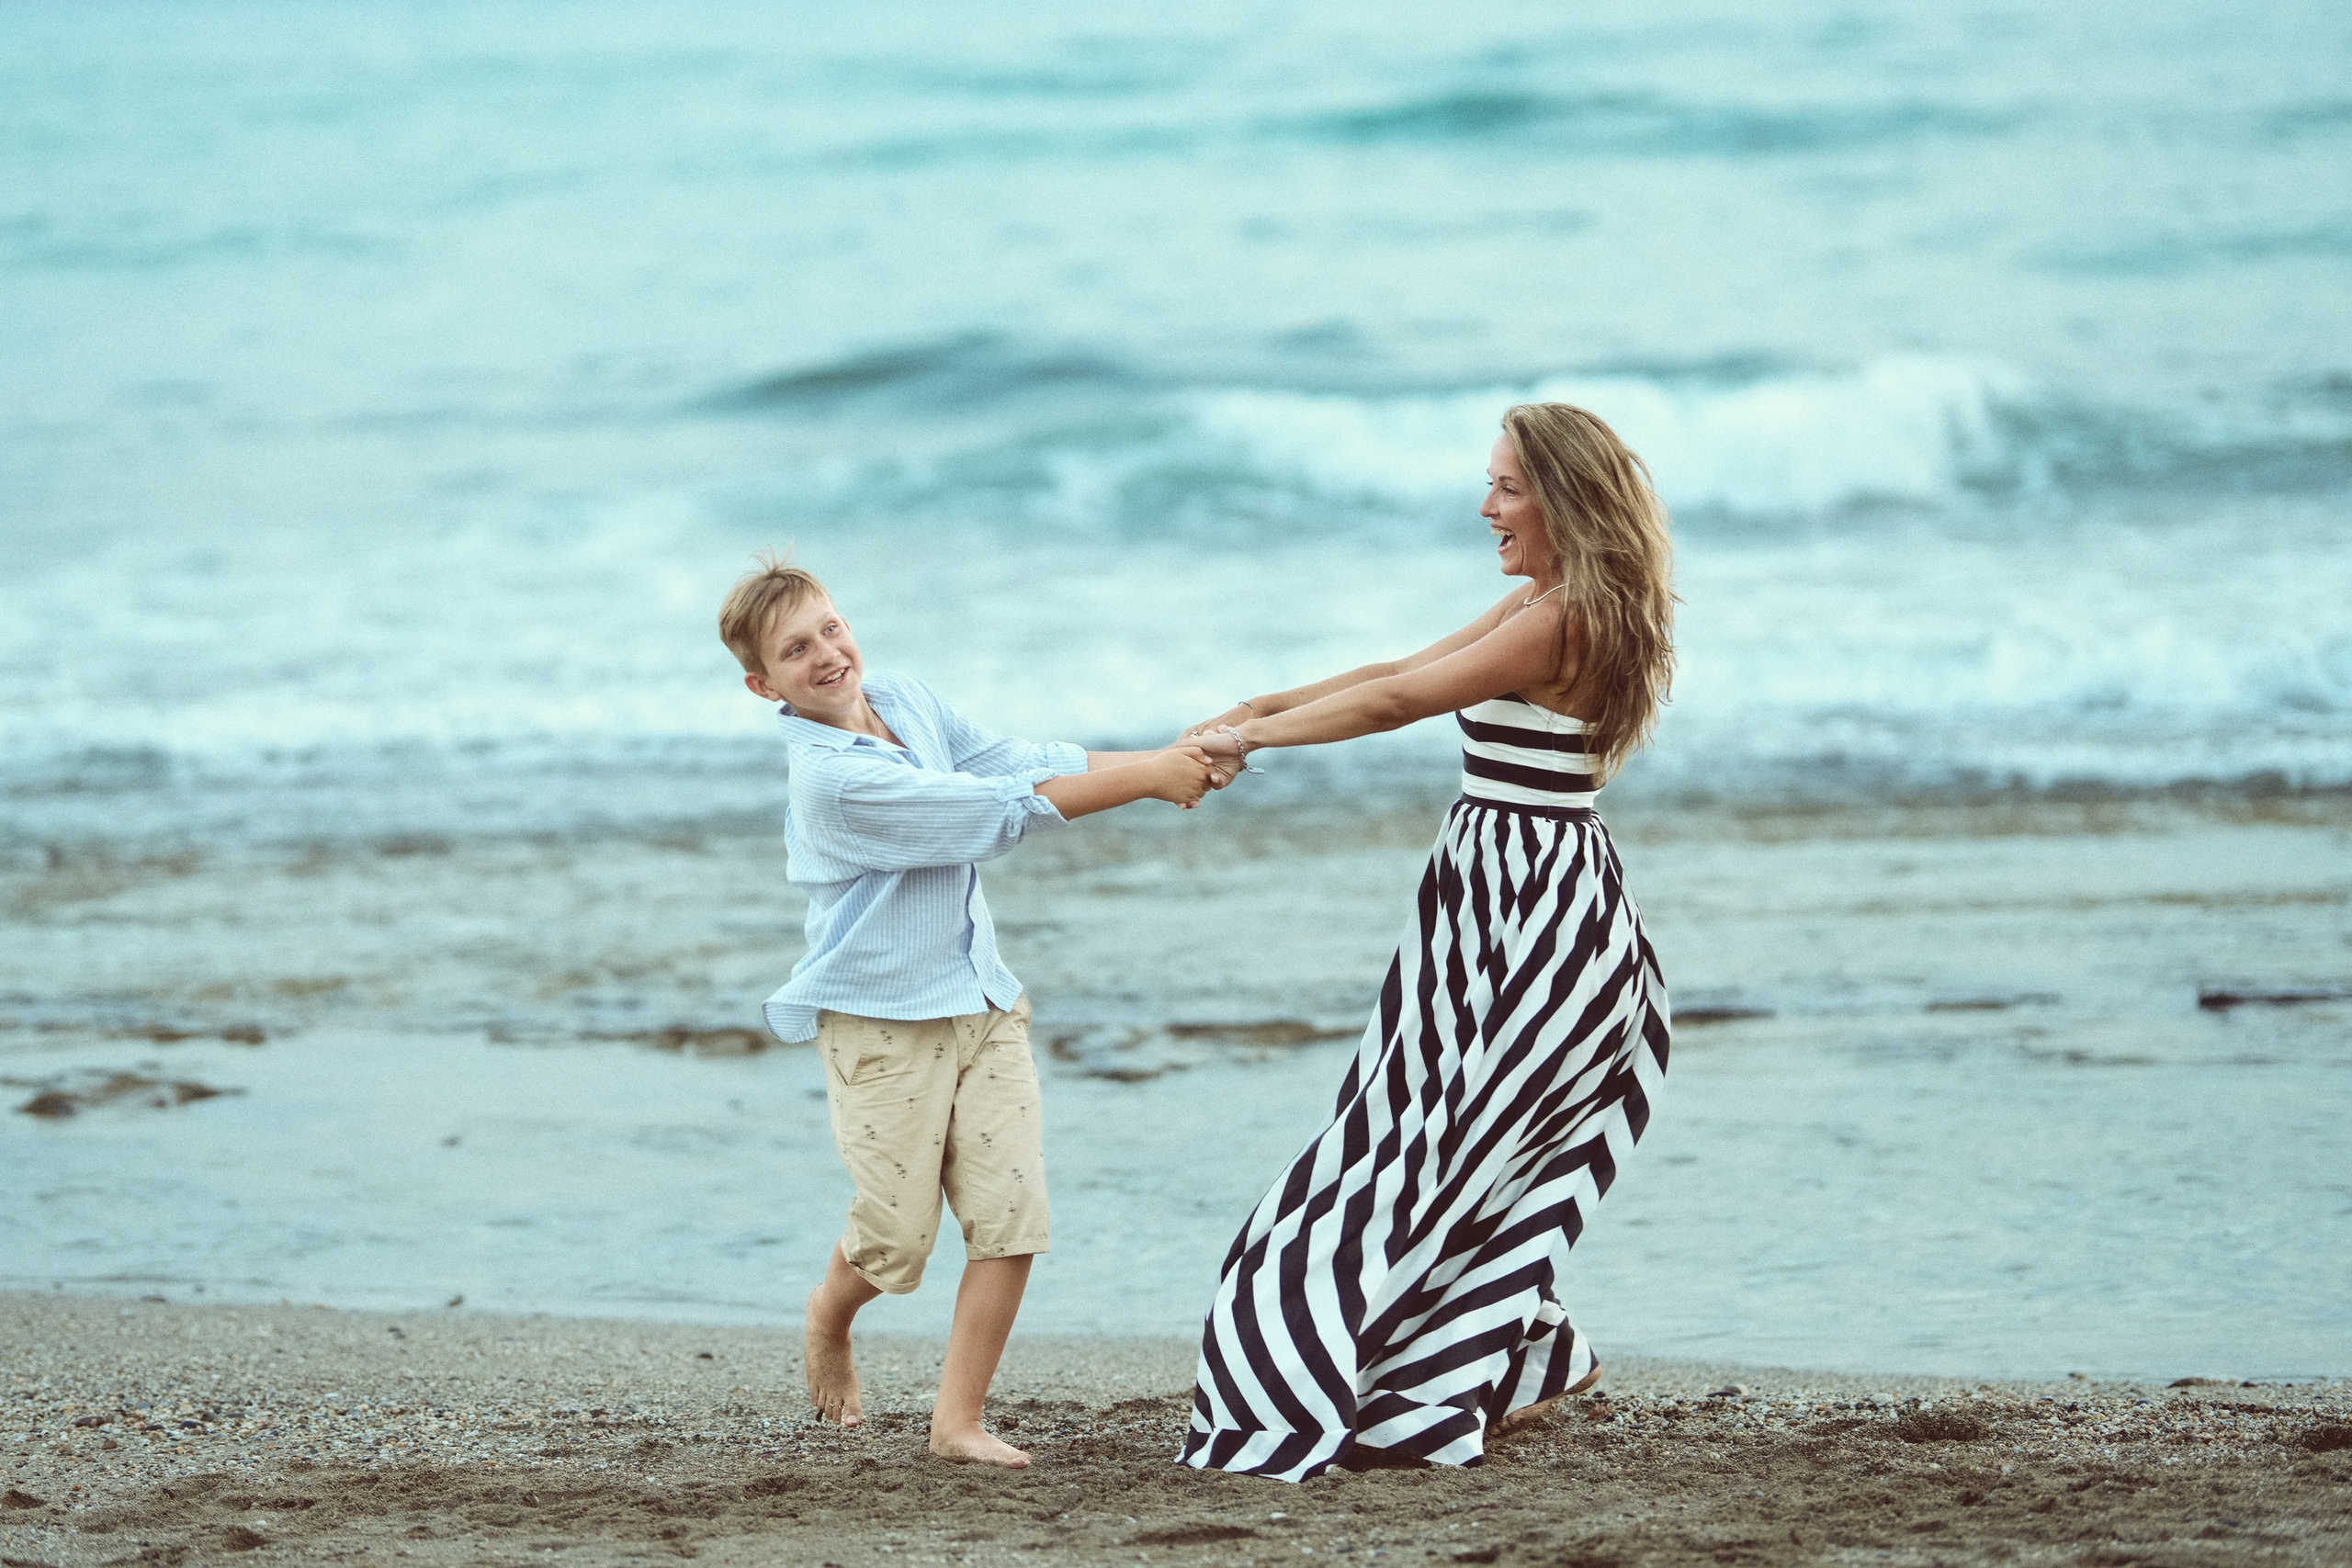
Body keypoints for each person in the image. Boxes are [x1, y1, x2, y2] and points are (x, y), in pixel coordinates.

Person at [1173, 402, 1676, 1482]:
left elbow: (1396, 704)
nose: (1485, 506)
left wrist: (1248, 741)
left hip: (1536, 908)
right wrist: (1259, 704)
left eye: (1505, 487)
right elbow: (1395, 668)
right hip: (1494, 898)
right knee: (1434, 1138)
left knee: (1424, 1149)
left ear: (1562, 499)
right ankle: (1532, 1356)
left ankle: (1477, 1359)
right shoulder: (1538, 603)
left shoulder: (1562, 621)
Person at [718, 553, 1216, 1470]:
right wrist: (1151, 779)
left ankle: (957, 1421)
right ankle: (830, 1310)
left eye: (831, 628)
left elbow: (1016, 763)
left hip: (984, 1001)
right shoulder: (829, 781)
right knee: (896, 1241)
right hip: (879, 1024)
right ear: (763, 684)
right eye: (797, 650)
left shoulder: (904, 700)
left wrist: (1161, 756)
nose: (828, 654)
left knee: (1011, 1217)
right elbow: (988, 812)